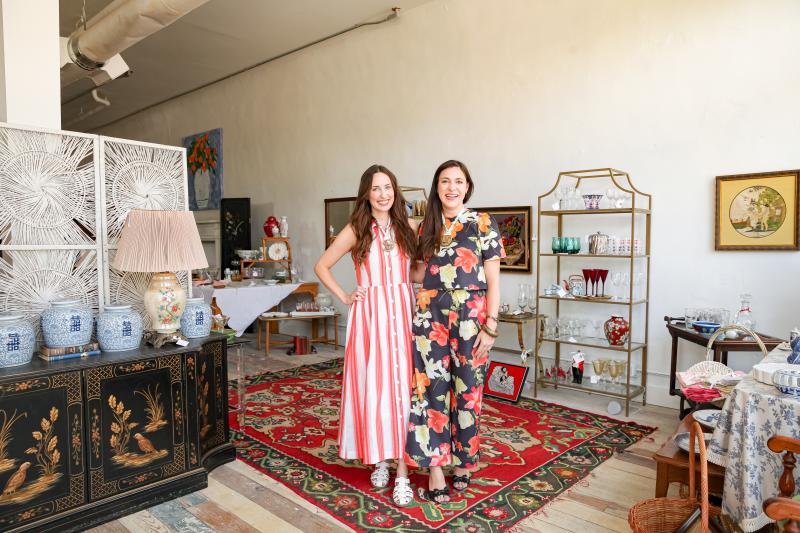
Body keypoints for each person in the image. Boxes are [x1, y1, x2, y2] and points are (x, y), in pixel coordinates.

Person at [314, 164, 419, 507]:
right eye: (376, 188)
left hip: (404, 313)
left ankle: (402, 471)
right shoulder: (357, 228)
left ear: (395, 191)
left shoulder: (408, 226)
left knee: (403, 390)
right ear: (366, 193)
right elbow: (322, 265)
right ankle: (381, 459)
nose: (383, 194)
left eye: (388, 187)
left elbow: (417, 270)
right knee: (376, 389)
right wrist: (346, 296)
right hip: (370, 316)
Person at [404, 160, 504, 503]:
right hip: (430, 316)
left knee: (468, 390)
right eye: (445, 181)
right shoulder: (424, 228)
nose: (451, 187)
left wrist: (490, 326)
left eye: (458, 181)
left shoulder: (483, 224)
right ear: (437, 187)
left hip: (472, 317)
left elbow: (493, 280)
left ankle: (463, 463)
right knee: (430, 390)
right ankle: (434, 467)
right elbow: (418, 274)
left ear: (467, 186)